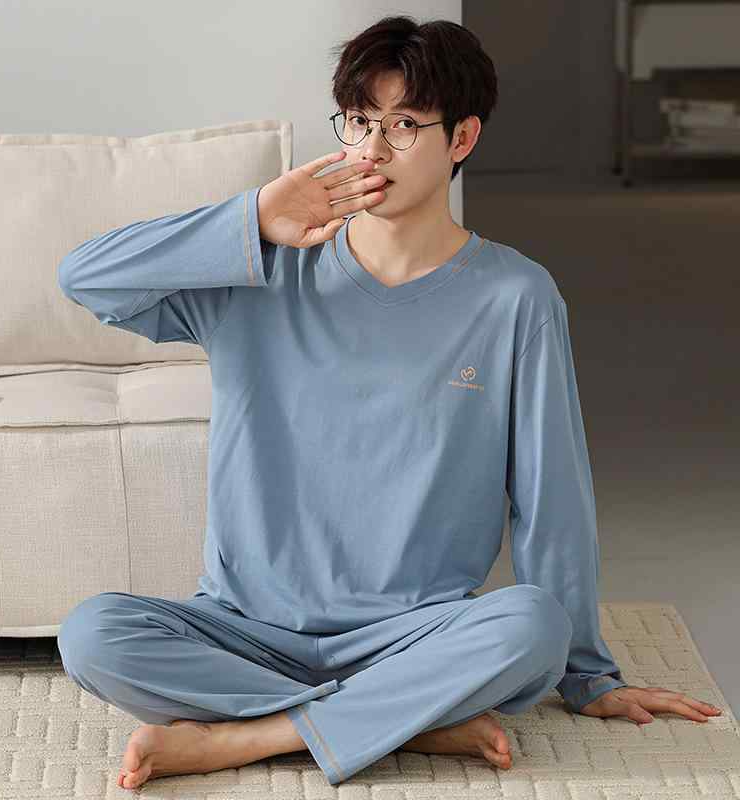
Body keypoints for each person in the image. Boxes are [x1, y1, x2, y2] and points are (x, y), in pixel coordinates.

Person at [55, 14, 723, 792]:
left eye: (404, 125)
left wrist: (588, 674)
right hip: (246, 630)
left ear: (462, 139)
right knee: (93, 634)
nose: (370, 149)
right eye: (358, 120)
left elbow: (552, 499)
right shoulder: (263, 272)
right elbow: (85, 279)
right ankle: (407, 722)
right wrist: (256, 215)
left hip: (413, 636)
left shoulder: (516, 298)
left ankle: (251, 736)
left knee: (533, 625)